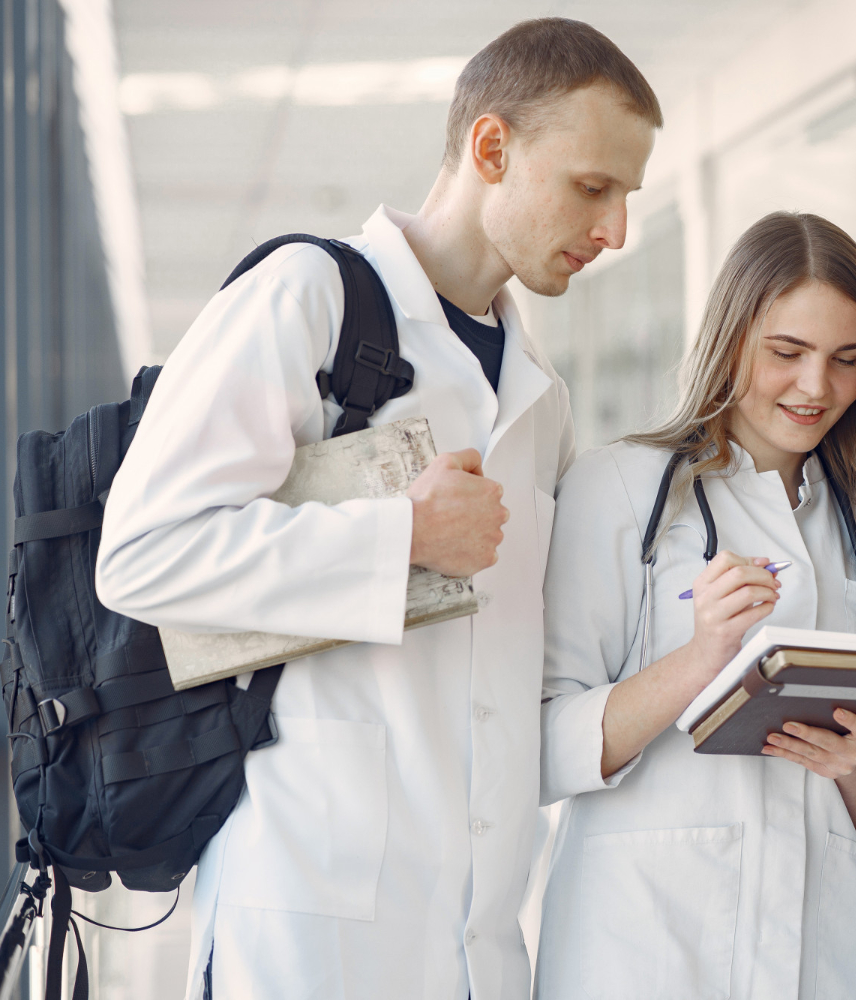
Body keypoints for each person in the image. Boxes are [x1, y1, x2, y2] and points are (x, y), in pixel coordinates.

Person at [94, 19, 660, 1000]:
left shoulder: (542, 397)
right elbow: (144, 554)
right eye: (592, 187)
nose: (614, 231)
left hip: (479, 945)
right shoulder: (307, 297)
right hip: (308, 927)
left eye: (628, 198)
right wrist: (401, 538)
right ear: (492, 148)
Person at [534, 211, 856, 1000]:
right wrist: (701, 660)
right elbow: (539, 745)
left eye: (848, 360)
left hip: (819, 949)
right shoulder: (620, 489)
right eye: (787, 353)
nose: (817, 387)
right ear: (731, 339)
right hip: (645, 949)